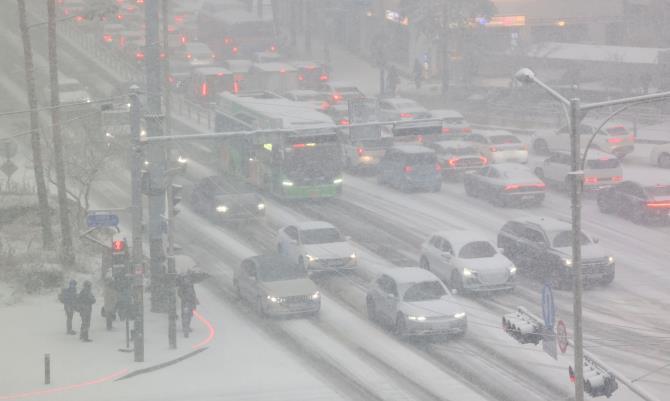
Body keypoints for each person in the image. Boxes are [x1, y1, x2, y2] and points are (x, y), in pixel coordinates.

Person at [177, 272, 199, 338]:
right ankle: (185, 327)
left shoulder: (191, 285)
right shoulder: (182, 286)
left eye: (188, 278)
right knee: (185, 315)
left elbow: (193, 293)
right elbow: (180, 293)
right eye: (186, 278)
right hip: (186, 303)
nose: (187, 279)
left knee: (190, 314)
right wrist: (185, 298)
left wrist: (195, 299)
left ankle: (187, 326)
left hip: (191, 302)